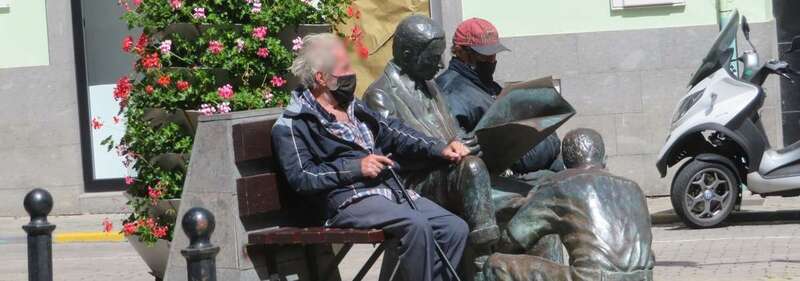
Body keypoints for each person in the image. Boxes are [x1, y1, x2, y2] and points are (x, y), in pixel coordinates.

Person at [272, 33, 469, 281]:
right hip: (346, 200)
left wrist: (440, 148)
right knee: (416, 226)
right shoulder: (293, 123)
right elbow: (302, 177)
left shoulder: (355, 108)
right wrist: (357, 167)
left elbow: (395, 132)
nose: (352, 73)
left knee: (454, 228)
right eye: (345, 68)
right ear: (321, 78)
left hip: (389, 191)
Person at [363, 15, 501, 247]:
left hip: (449, 175)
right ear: (408, 55)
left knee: (532, 205)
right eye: (433, 58)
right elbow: (396, 152)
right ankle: (483, 258)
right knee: (472, 168)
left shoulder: (430, 86)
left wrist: (468, 143)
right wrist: (445, 152)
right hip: (415, 185)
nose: (441, 65)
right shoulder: (380, 95)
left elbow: (452, 132)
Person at [483, 128, 655, 281]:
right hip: (643, 277)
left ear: (565, 163)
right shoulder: (635, 189)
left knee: (495, 264)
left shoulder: (559, 184)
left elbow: (513, 238)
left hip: (592, 278)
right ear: (605, 159)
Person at [435, 18, 564, 175]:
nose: (492, 60)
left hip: (538, 162)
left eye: (494, 55)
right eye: (485, 56)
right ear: (462, 53)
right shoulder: (450, 92)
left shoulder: (488, 85)